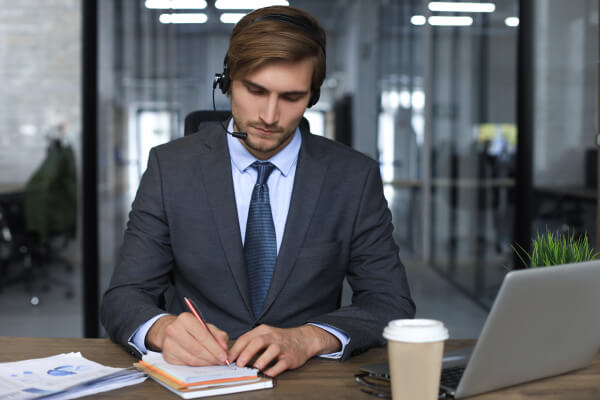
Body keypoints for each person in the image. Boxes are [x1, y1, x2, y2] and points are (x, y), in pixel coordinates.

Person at [101, 5, 415, 378]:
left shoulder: (353, 177)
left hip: (307, 381)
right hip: (198, 378)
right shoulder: (170, 168)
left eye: (291, 97)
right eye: (255, 90)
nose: (269, 116)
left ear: (312, 97)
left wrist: (311, 337)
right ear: (227, 81)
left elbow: (390, 302)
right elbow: (123, 297)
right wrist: (162, 329)